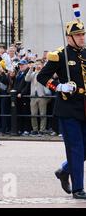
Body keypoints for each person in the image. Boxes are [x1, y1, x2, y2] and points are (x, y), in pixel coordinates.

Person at [37, 15, 86, 199]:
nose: (82, 37)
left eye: (83, 34)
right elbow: (42, 76)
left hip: (84, 107)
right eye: (78, 35)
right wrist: (58, 86)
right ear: (69, 37)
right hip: (68, 107)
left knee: (84, 148)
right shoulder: (59, 55)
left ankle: (64, 170)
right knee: (76, 148)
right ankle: (78, 188)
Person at [25, 59, 51, 136]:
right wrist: (30, 69)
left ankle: (42, 130)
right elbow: (27, 79)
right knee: (33, 114)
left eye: (39, 64)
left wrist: (41, 70)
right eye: (36, 64)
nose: (37, 66)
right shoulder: (33, 74)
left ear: (42, 65)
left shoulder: (44, 73)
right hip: (33, 96)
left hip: (42, 96)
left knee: (43, 114)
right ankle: (35, 129)